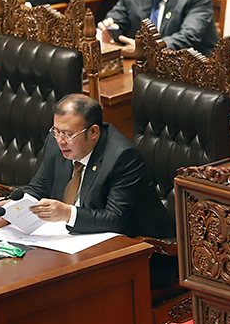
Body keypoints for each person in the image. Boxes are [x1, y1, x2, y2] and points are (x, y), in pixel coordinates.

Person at [24, 93, 174, 241]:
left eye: (67, 134)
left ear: (93, 132)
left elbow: (116, 219)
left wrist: (67, 213)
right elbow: (39, 187)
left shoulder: (122, 157)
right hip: (74, 238)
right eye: (56, 131)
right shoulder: (56, 142)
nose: (60, 140)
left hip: (139, 246)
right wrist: (12, 207)